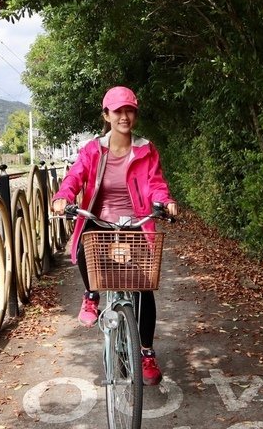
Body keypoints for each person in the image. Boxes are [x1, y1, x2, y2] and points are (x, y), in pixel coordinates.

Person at [51, 85, 179, 386]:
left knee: (144, 287)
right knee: (85, 246)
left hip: (135, 222)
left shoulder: (146, 149)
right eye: (118, 111)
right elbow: (75, 176)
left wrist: (165, 202)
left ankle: (146, 352)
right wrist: (63, 196)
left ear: (135, 114)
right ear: (106, 115)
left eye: (129, 110)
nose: (124, 116)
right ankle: (91, 294)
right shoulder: (93, 150)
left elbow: (156, 184)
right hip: (100, 220)